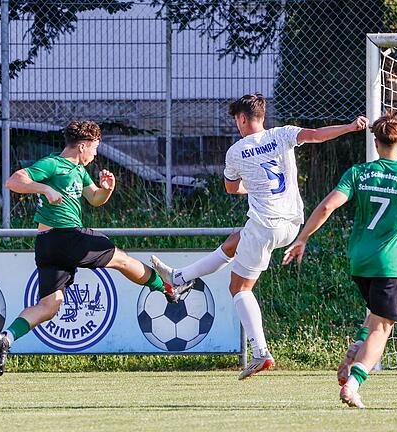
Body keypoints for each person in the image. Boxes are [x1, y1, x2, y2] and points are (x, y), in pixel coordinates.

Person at [151, 93, 368, 380]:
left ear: (241, 119)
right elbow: (316, 135)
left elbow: (231, 189)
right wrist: (350, 127)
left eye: (236, 121)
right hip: (292, 223)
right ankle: (178, 279)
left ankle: (260, 352)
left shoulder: (236, 151)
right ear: (262, 116)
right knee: (233, 241)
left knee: (239, 289)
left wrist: (250, 187)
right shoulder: (283, 134)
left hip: (264, 225)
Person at [0, 120, 190, 376]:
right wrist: (45, 188)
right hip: (67, 237)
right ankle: (168, 288)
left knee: (49, 306)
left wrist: (107, 189)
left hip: (48, 246)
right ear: (83, 146)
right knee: (123, 260)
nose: (96, 154)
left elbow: (94, 199)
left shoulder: (79, 170)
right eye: (95, 147)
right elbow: (14, 181)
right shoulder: (54, 164)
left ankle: (7, 337)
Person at [282, 110, 397, 409]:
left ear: (375, 143)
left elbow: (326, 208)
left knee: (376, 315)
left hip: (360, 261)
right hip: (393, 263)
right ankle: (354, 384)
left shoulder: (358, 173)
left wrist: (302, 238)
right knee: (383, 327)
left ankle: (354, 351)